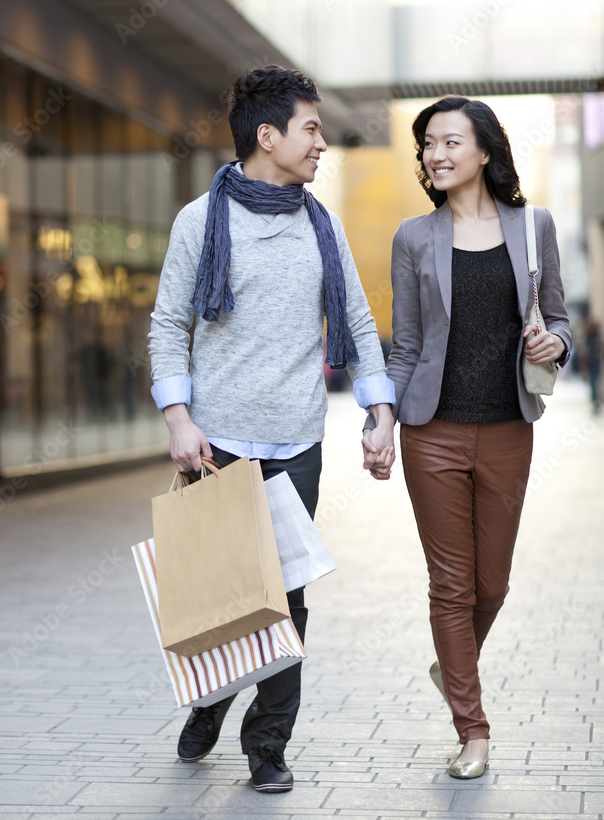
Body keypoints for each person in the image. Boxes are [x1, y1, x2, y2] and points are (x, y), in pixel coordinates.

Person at [148, 65, 396, 793]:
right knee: (220, 594)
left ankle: (268, 746)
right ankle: (210, 701)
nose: (320, 144)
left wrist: (379, 411)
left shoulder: (323, 226)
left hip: (296, 444)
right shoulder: (201, 221)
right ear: (268, 136)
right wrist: (178, 418)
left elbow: (355, 321)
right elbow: (168, 324)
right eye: (310, 129)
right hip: (217, 443)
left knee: (284, 599)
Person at [362, 95, 572, 779]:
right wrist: (382, 419)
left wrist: (552, 346)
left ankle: (450, 664)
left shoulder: (531, 226)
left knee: (494, 584)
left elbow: (561, 320)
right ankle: (472, 728)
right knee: (451, 586)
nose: (435, 153)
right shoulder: (411, 238)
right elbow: (405, 346)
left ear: (484, 149)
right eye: (426, 143)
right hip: (433, 433)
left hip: (508, 427)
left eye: (450, 141)